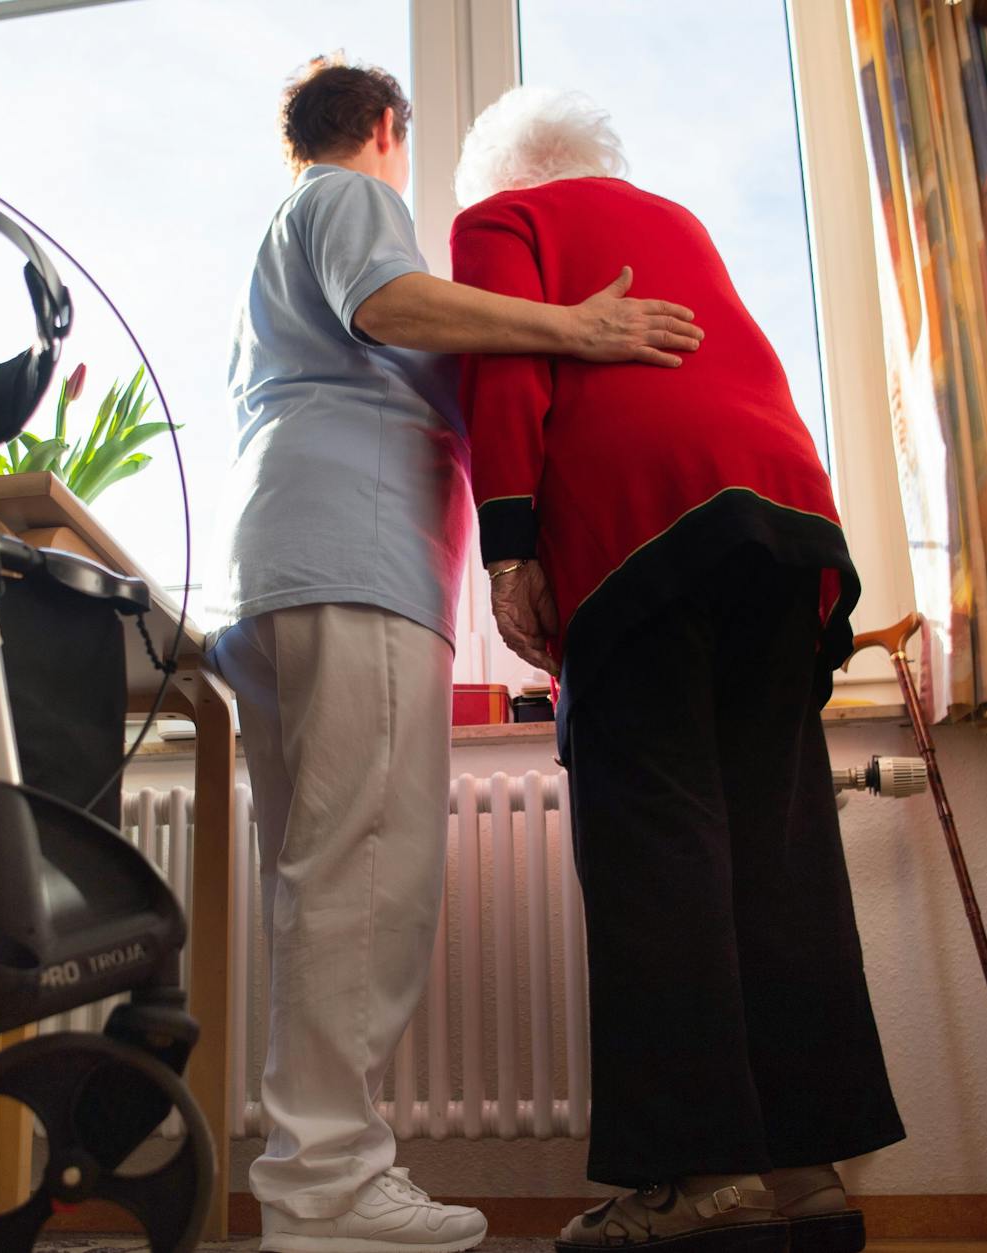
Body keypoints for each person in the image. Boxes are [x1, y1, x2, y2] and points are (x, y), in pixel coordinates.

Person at [205, 59, 704, 1253]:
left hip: (283, 562)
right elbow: (393, 306)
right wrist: (574, 325)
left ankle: (309, 1176)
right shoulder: (348, 199)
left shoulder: (280, 238)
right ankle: (327, 1187)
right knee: (367, 874)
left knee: (321, 877)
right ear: (386, 127)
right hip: (350, 559)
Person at [448, 86, 904, 1253]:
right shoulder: (675, 220)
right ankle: (804, 1166)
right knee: (775, 839)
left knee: (655, 844)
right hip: (782, 518)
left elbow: (505, 374)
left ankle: (699, 1176)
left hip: (641, 526)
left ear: (497, 172)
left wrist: (507, 550)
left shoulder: (502, 224)